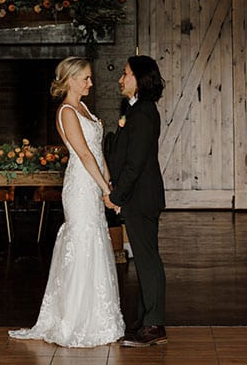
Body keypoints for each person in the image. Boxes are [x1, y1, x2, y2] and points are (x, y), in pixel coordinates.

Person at [10, 58, 124, 347]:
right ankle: (73, 320)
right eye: (85, 78)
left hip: (94, 181)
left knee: (95, 241)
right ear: (71, 80)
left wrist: (110, 186)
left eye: (89, 78)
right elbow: (84, 155)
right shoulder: (67, 112)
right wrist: (104, 190)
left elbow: (98, 153)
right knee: (83, 243)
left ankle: (98, 318)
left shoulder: (84, 108)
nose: (90, 83)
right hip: (81, 186)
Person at [105, 55, 168, 347]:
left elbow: (135, 163)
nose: (121, 79)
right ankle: (145, 320)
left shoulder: (143, 113)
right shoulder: (134, 110)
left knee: (147, 260)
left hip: (141, 198)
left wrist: (115, 196)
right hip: (139, 197)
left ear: (140, 78)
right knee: (145, 260)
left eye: (125, 73)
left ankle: (154, 324)